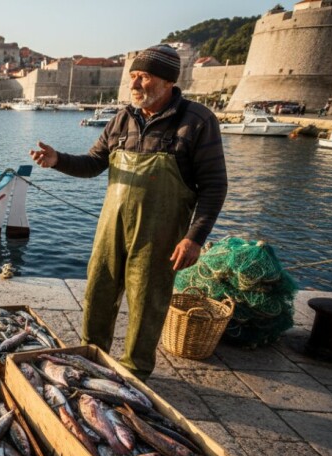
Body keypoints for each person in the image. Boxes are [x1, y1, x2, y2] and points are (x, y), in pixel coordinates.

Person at [29, 44, 227, 381]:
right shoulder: (122, 118)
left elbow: (214, 186)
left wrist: (194, 239)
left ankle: (134, 376)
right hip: (111, 230)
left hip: (160, 236)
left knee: (148, 303)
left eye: (143, 77)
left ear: (167, 82)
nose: (134, 84)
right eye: (133, 76)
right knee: (98, 293)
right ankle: (91, 361)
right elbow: (93, 164)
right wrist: (58, 160)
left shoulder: (197, 122)